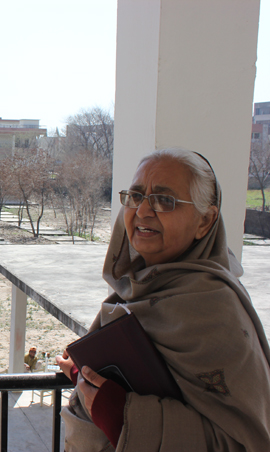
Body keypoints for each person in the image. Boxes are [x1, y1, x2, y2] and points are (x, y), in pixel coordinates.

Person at [56, 148, 270, 451]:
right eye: (135, 196)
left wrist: (120, 414)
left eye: (164, 200)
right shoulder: (141, 289)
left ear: (205, 222)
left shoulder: (214, 308)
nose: (142, 211)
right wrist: (89, 377)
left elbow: (244, 442)